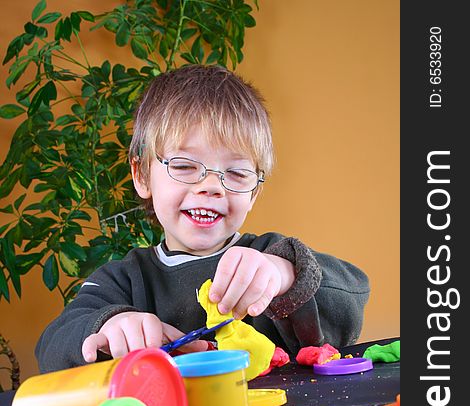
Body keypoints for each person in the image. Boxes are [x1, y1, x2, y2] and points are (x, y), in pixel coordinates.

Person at [36, 65, 370, 374]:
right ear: (142, 175)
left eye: (237, 173)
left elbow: (352, 298)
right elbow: (52, 346)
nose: (210, 186)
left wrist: (286, 276)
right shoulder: (123, 280)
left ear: (254, 191)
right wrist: (111, 324)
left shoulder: (271, 255)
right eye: (183, 166)